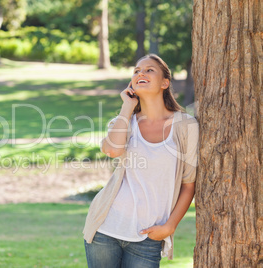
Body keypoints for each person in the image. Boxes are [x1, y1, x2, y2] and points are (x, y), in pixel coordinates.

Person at [83, 54, 199, 268]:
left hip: (148, 235)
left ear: (165, 83)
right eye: (136, 71)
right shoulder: (124, 121)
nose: (141, 73)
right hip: (105, 228)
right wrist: (127, 107)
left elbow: (189, 184)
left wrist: (170, 226)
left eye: (149, 70)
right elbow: (112, 150)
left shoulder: (185, 125)